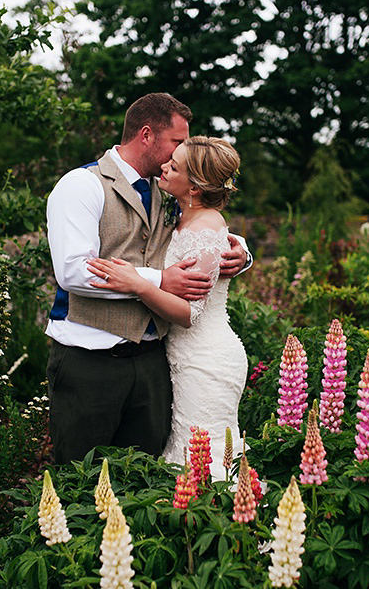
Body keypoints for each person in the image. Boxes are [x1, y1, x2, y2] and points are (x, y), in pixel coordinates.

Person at [44, 93, 250, 466]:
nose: (179, 152)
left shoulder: (169, 188)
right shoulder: (81, 185)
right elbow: (73, 270)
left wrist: (242, 255)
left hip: (155, 364)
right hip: (91, 363)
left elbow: (206, 225)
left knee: (147, 481)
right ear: (147, 135)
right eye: (176, 142)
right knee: (78, 479)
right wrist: (158, 280)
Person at [87, 136, 248, 481]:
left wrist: (139, 284)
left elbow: (190, 314)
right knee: (187, 453)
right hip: (183, 358)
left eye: (174, 166)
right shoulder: (183, 215)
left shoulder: (204, 228)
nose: (163, 166)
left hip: (206, 360)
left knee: (207, 459)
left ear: (194, 186)